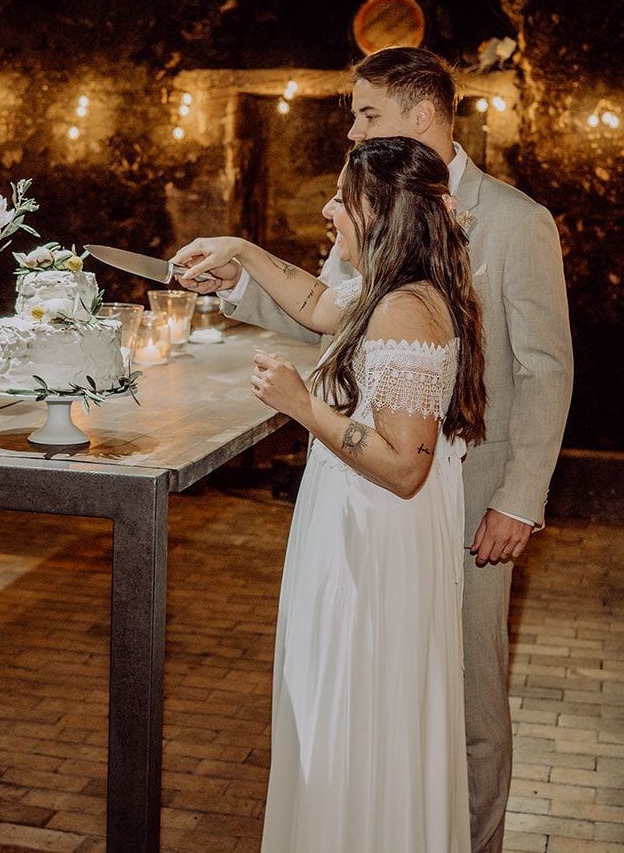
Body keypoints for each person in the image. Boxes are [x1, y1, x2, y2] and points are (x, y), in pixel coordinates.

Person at [172, 47, 573, 853]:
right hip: (375, 494)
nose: (351, 132)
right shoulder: (379, 215)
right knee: (381, 697)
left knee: (464, 705)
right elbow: (328, 309)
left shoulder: (517, 220)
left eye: (364, 115)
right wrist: (241, 269)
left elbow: (546, 368)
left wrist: (519, 499)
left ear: (419, 116)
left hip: (465, 491)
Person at [177, 137, 484, 851]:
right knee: (345, 712)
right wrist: (243, 251)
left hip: (374, 545)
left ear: (378, 211)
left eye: (343, 199)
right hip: (358, 527)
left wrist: (301, 404)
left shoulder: (407, 308)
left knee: (352, 712)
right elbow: (317, 302)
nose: (329, 209)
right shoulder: (392, 288)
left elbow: (407, 465)